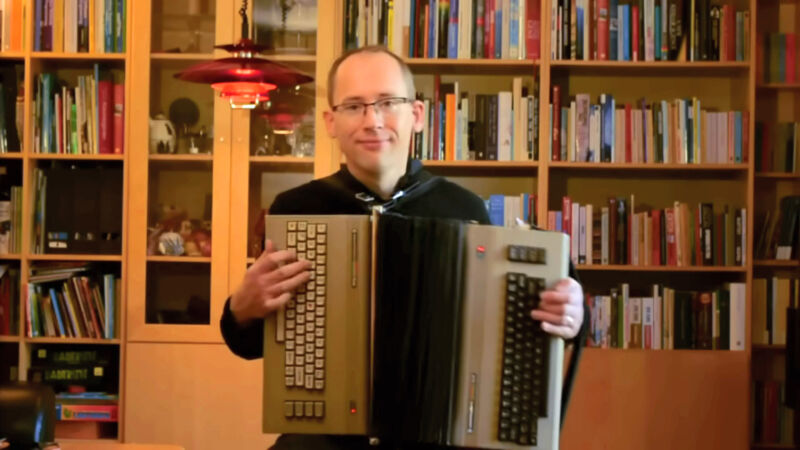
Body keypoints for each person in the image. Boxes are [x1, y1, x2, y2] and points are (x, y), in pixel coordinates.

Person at [220, 45, 586, 450]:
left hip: (435, 435)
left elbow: (504, 334)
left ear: (417, 115)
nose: (372, 120)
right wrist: (241, 310)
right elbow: (253, 346)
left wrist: (567, 318)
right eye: (354, 106)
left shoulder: (463, 209)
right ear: (330, 122)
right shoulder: (296, 209)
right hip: (326, 436)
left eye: (388, 103)